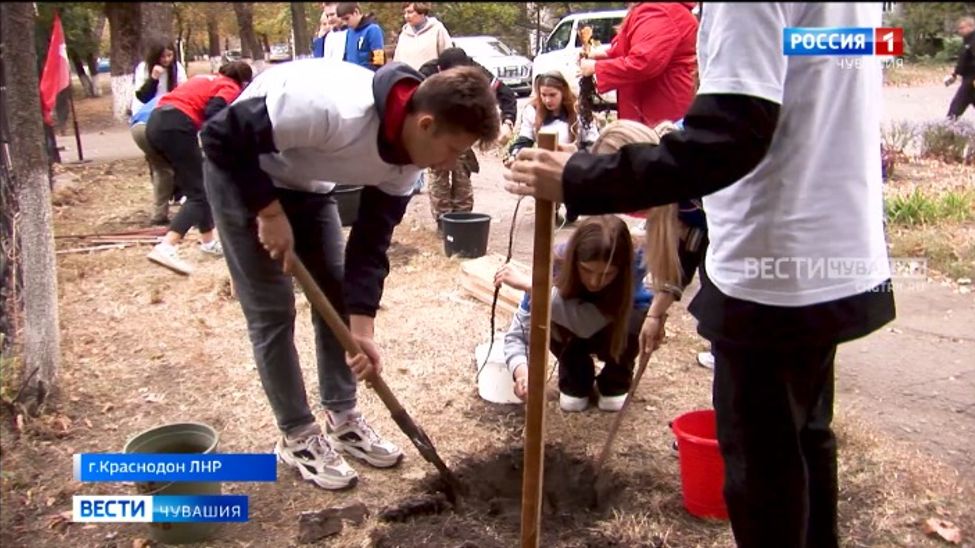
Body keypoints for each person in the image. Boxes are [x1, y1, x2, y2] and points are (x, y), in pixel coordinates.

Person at [504, 4, 896, 547]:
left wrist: (581, 175)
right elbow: (808, 72)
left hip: (774, 265)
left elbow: (731, 136)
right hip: (832, 247)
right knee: (803, 446)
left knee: (767, 479)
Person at [199, 59, 499, 491]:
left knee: (337, 300)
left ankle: (343, 417)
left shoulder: (410, 162)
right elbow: (220, 133)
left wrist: (362, 331)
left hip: (308, 182)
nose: (450, 161)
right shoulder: (328, 108)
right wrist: (268, 211)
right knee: (272, 310)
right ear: (427, 123)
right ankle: (298, 435)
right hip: (239, 165)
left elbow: (371, 243)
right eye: (453, 149)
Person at [496, 215, 650, 412]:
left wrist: (534, 287)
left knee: (635, 316)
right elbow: (518, 335)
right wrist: (524, 375)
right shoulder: (554, 267)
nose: (595, 282)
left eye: (607, 274)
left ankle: (616, 378)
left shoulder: (634, 265)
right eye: (587, 270)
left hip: (615, 334)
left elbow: (588, 323)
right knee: (572, 402)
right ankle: (575, 376)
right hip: (573, 339)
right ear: (573, 261)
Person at [145, 61, 253, 275]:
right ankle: (167, 245)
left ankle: (208, 241)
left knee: (198, 186)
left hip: (155, 123)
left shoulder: (202, 78)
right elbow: (214, 111)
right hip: (177, 125)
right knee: (199, 193)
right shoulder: (230, 86)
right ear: (244, 81)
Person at [417, 47, 518, 228]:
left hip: (462, 130)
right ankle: (443, 222)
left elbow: (506, 95)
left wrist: (507, 122)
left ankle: (462, 221)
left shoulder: (475, 71)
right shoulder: (426, 74)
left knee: (462, 173)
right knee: (439, 175)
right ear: (441, 71)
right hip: (436, 130)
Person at [578, 2, 697, 126]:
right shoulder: (663, 9)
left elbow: (644, 62)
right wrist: (601, 55)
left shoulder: (660, 11)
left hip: (659, 115)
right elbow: (633, 47)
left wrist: (596, 68)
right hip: (661, 112)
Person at [507, 71, 598, 225]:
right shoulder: (532, 110)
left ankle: (574, 204)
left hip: (574, 162)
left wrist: (577, 153)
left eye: (552, 95)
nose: (547, 100)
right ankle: (551, 208)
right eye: (543, 95)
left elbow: (593, 142)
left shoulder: (580, 110)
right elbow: (524, 139)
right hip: (546, 162)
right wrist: (515, 155)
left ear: (563, 91)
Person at [129, 94, 177, 225]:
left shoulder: (167, 96)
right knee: (170, 168)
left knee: (161, 169)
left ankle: (159, 213)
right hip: (153, 127)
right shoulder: (183, 101)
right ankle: (195, 208)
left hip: (136, 127)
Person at [132, 40, 187, 117]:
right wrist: (153, 79)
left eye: (169, 55)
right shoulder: (144, 68)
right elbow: (141, 97)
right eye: (163, 56)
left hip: (168, 110)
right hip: (146, 112)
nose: (166, 59)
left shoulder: (177, 68)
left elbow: (183, 91)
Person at [393, 2, 451, 71]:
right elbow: (397, 62)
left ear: (422, 12)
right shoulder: (404, 34)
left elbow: (448, 57)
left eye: (410, 12)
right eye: (405, 13)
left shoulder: (437, 30)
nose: (406, 16)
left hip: (431, 79)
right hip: (408, 79)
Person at [338, 2, 385, 71]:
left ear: (356, 12)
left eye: (347, 19)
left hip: (367, 75)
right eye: (343, 20)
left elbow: (379, 61)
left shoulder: (373, 30)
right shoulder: (349, 32)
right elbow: (346, 56)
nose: (345, 23)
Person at [945, 15, 975, 119]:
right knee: (959, 103)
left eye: (962, 28)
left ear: (971, 27)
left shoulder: (973, 41)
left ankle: (948, 128)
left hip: (972, 79)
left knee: (957, 106)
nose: (959, 31)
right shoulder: (967, 41)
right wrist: (955, 74)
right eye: (959, 28)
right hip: (967, 79)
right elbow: (963, 60)